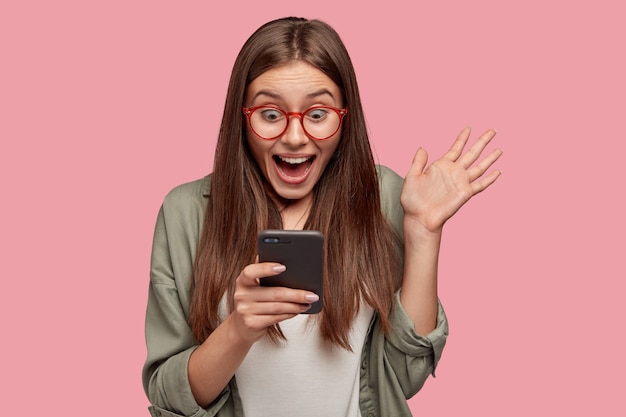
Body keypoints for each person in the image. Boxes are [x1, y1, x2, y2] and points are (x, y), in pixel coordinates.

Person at [142, 16, 502, 417]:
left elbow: (404, 376)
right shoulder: (185, 213)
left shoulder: (385, 197)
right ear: (242, 119)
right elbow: (167, 394)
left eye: (317, 114)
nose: (295, 137)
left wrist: (422, 232)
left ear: (344, 118)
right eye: (270, 113)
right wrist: (237, 331)